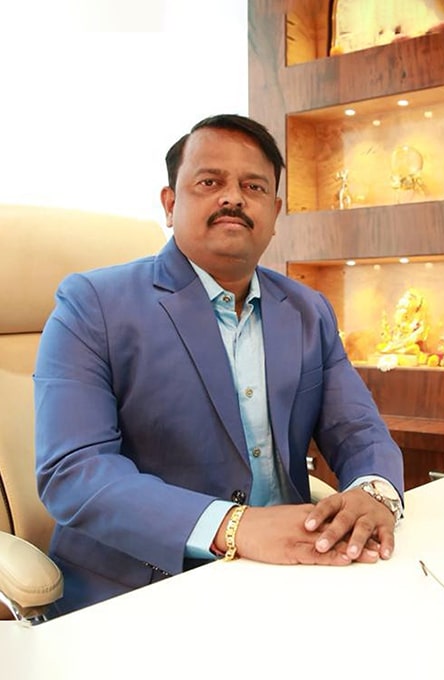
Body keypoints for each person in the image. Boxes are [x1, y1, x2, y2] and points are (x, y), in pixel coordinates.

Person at [34, 114, 404, 615]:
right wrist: (235, 527)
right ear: (170, 204)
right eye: (210, 182)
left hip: (292, 576)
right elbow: (74, 471)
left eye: (254, 187)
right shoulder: (92, 304)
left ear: (274, 212)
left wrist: (373, 492)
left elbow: (357, 429)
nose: (234, 198)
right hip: (144, 590)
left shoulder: (307, 309)